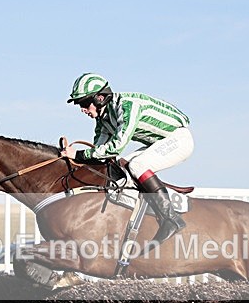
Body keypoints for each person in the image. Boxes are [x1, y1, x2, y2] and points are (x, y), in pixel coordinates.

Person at [60, 73, 194, 246]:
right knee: (122, 166)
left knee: (137, 165)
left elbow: (115, 147)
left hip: (179, 140)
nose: (82, 109)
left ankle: (171, 218)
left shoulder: (127, 106)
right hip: (161, 142)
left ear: (100, 98)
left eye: (85, 103)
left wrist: (78, 154)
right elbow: (100, 153)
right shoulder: (103, 120)